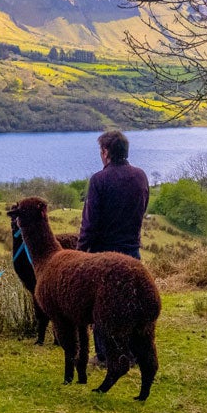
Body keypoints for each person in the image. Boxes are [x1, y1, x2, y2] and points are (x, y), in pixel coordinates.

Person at [78, 130, 150, 365]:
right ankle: (132, 353)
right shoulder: (141, 176)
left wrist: (79, 254)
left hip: (105, 254)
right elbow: (143, 207)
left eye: (101, 151)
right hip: (132, 251)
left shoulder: (99, 180)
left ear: (106, 152)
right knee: (131, 306)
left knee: (103, 308)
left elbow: (90, 223)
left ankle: (105, 356)